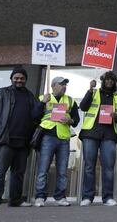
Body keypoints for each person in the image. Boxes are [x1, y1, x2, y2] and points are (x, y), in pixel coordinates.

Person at [0, 66, 40, 208]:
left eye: (22, 78)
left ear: (25, 79)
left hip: (23, 142)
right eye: (16, 78)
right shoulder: (1, 93)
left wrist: (42, 103)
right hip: (4, 140)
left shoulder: (30, 96)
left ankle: (15, 200)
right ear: (12, 79)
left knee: (18, 173)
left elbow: (36, 116)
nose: (19, 80)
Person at [79, 71, 117, 207]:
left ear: (114, 82)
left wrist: (116, 116)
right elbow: (83, 107)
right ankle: (87, 197)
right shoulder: (93, 93)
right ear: (103, 81)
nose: (109, 82)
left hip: (109, 135)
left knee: (108, 167)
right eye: (107, 79)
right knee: (89, 167)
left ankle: (108, 197)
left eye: (112, 80)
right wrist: (89, 90)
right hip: (91, 133)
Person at [34, 76, 80, 207]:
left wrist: (70, 121)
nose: (64, 86)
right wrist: (43, 103)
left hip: (63, 138)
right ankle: (40, 197)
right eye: (61, 84)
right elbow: (34, 116)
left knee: (62, 170)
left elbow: (76, 120)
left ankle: (60, 197)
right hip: (47, 136)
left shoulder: (70, 100)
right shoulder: (43, 98)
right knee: (43, 169)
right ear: (53, 86)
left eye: (65, 84)